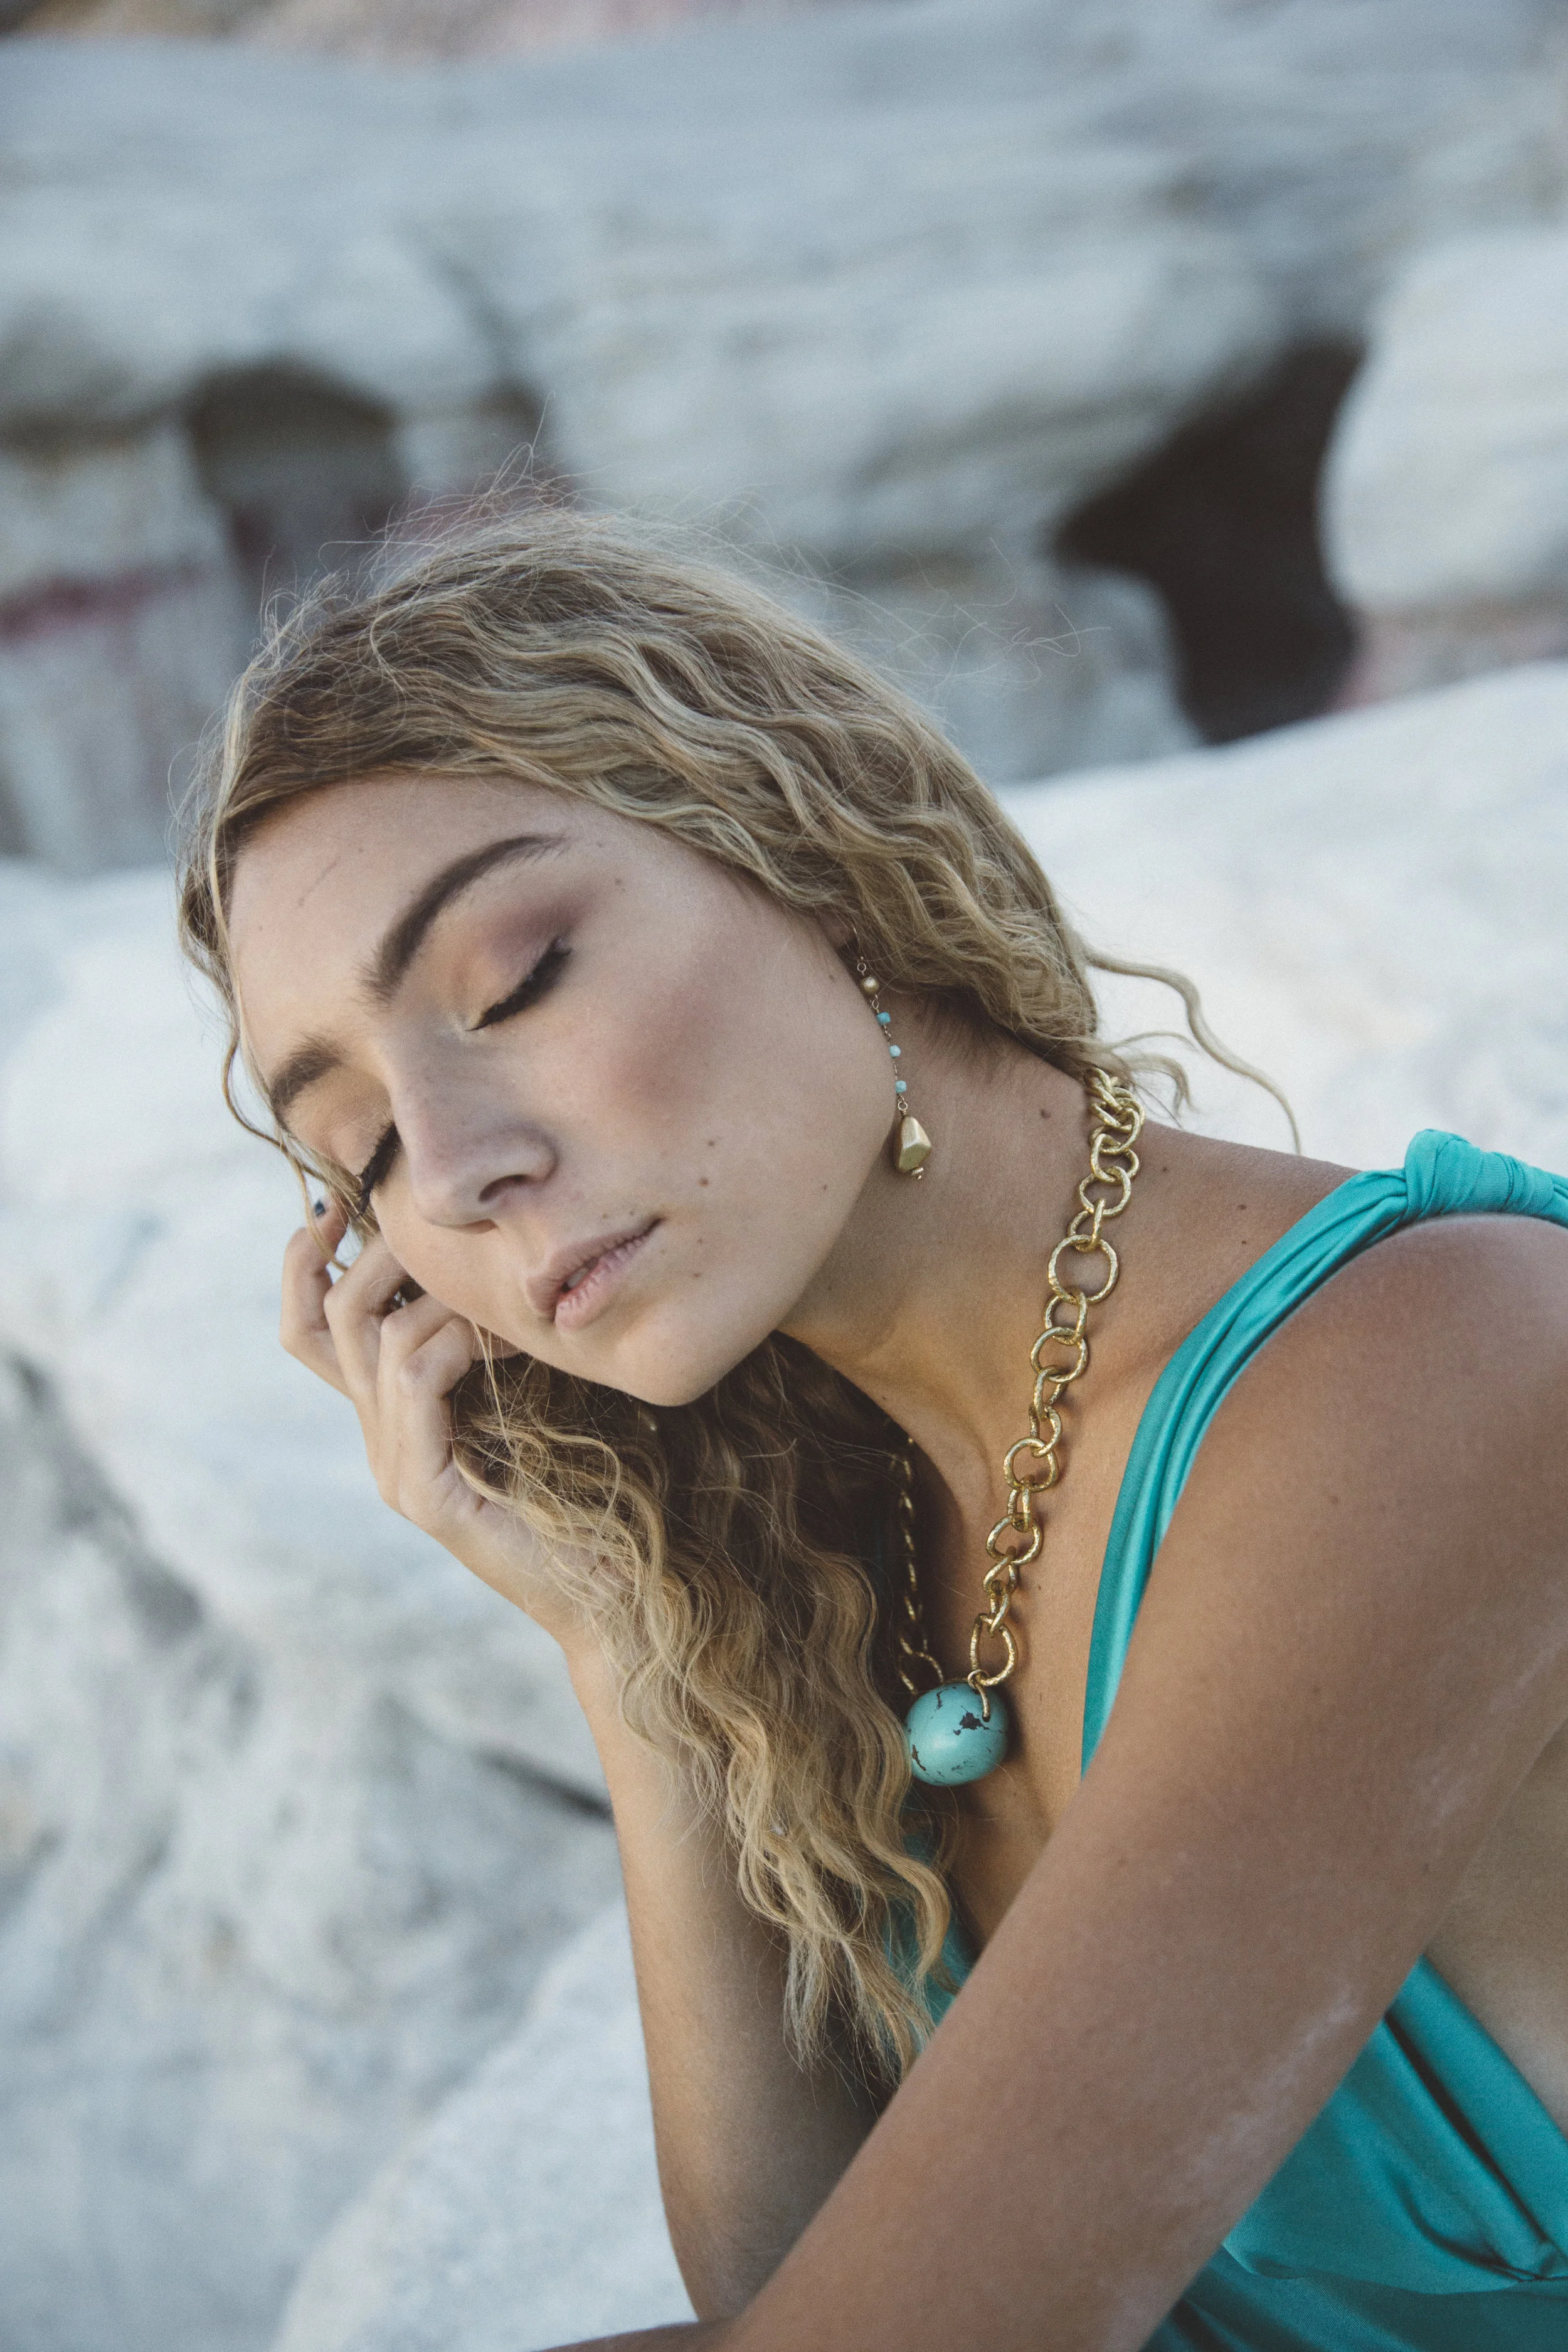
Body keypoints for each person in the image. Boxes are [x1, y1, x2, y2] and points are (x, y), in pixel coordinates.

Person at [177, 512, 1568, 2352]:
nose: (455, 1166)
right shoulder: (847, 1528)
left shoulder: (1438, 1362)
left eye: (511, 981)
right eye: (357, 1146)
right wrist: (620, 1645)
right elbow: (783, 2279)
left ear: (807, 858)